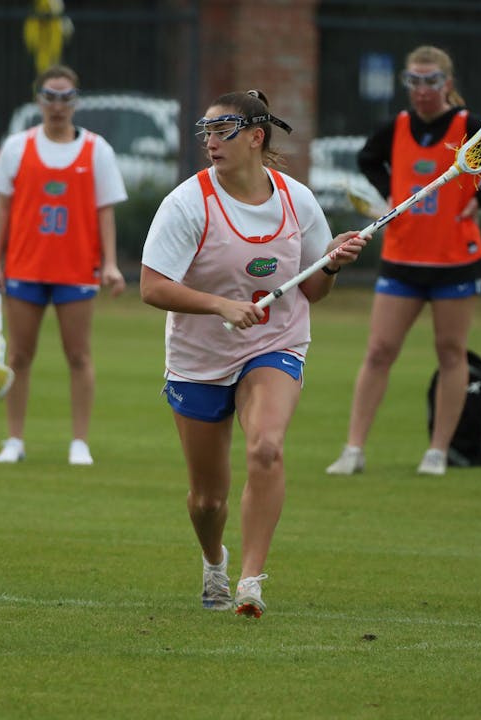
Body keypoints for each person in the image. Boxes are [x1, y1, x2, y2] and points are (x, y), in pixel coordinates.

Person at [140, 90, 366, 618]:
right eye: (207, 133)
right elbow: (151, 287)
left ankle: (249, 580)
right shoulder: (186, 203)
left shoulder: (297, 201)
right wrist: (220, 305)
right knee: (207, 499)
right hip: (199, 359)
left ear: (255, 137)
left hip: (274, 342)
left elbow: (313, 293)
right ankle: (214, 560)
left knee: (266, 447)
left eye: (223, 132)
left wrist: (330, 265)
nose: (211, 142)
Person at [325, 45, 481, 477]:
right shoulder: (396, 127)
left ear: (448, 83)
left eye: (431, 81)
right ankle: (353, 449)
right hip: (402, 257)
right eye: (414, 81)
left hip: (454, 260)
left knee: (450, 351)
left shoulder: (472, 129)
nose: (421, 90)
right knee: (380, 350)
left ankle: (438, 451)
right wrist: (390, 191)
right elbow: (368, 159)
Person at [0, 64, 128, 465]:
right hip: (25, 267)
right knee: (18, 356)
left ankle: (79, 442)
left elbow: (105, 213)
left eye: (66, 97)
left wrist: (110, 264)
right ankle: (14, 440)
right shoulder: (18, 147)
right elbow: (3, 210)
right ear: (38, 100)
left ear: (76, 101)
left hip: (77, 269)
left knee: (79, 355)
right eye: (50, 96)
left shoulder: (97, 150)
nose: (58, 106)